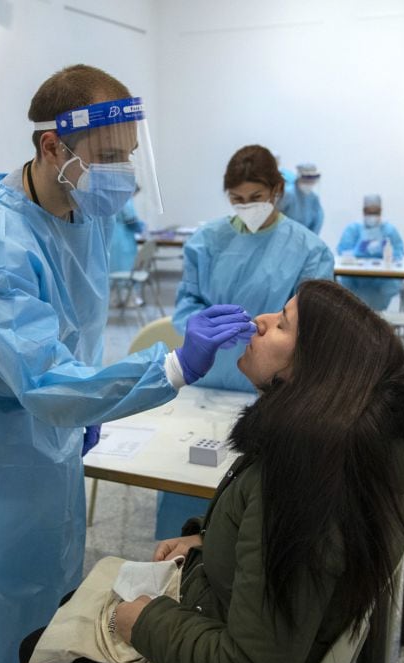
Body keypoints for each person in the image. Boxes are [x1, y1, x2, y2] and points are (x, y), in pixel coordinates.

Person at [0, 64, 255, 663]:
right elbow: (44, 380)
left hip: (51, 430)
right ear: (53, 147)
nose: (122, 173)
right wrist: (169, 368)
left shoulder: (84, 211)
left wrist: (89, 400)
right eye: (108, 157)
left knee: (53, 576)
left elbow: (75, 332)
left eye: (129, 156)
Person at [19, 279, 404, 663]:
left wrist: (141, 621)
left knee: (37, 653)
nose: (261, 321)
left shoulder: (298, 481)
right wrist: (207, 543)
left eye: (283, 325)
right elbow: (280, 562)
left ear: (312, 373)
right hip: (247, 633)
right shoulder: (349, 452)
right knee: (69, 610)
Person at [161, 145, 334, 538]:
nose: (247, 206)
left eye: (256, 198)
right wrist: (205, 330)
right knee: (182, 476)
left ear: (276, 190)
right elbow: (188, 302)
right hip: (204, 381)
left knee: (251, 504)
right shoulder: (206, 241)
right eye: (237, 200)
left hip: (271, 390)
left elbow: (312, 328)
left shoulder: (309, 250)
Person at [337, 194, 404, 310]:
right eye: (369, 212)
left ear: (381, 211)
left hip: (381, 282)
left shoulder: (389, 230)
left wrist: (388, 253)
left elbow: (399, 252)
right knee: (356, 309)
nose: (372, 215)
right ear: (364, 211)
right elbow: (343, 252)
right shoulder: (353, 229)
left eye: (375, 212)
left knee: (374, 309)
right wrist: (358, 251)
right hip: (355, 281)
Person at [280, 162, 324, 233]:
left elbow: (317, 222)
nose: (309, 182)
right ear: (299, 177)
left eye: (312, 179)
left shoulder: (313, 198)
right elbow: (273, 217)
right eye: (307, 179)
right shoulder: (288, 193)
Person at [109, 190, 145, 275]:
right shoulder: (124, 200)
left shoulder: (111, 197)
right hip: (122, 239)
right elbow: (131, 221)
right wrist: (141, 227)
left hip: (111, 236)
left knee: (112, 268)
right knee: (124, 268)